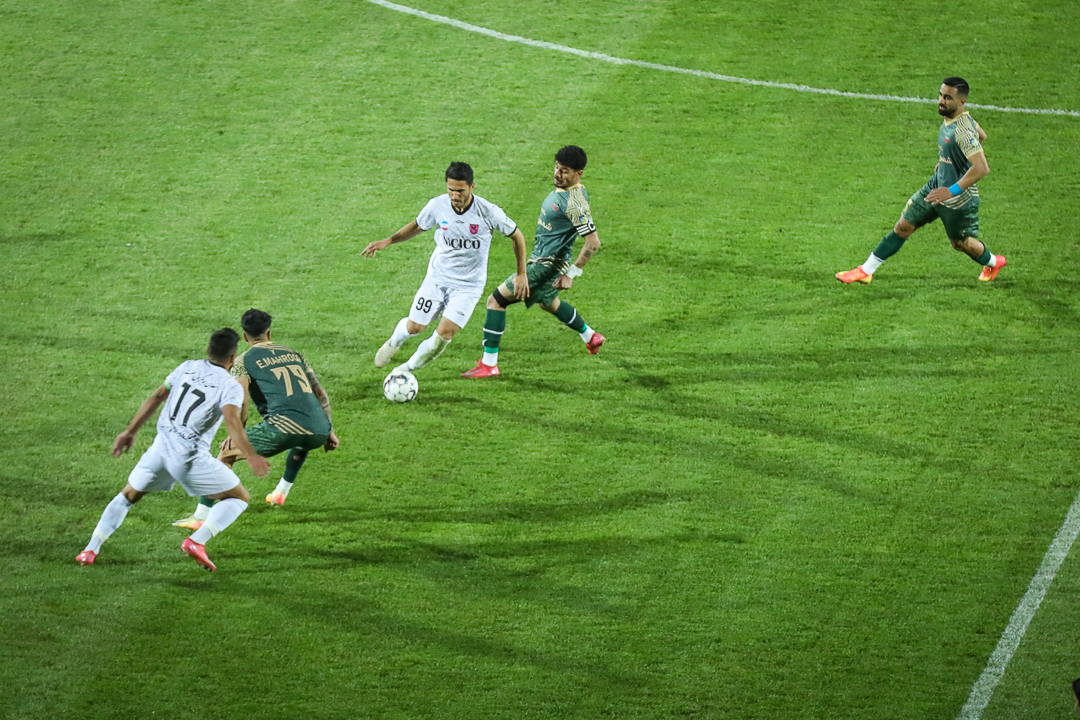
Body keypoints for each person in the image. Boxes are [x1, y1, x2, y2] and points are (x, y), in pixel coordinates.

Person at [76, 328, 270, 572]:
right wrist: (251, 455)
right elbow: (232, 421)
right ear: (233, 357)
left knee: (128, 496)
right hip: (189, 458)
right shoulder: (229, 386)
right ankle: (196, 541)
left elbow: (157, 396)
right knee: (239, 497)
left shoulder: (187, 367)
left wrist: (129, 432)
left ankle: (90, 550)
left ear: (208, 350)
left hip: (160, 449)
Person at [172, 309, 339, 528]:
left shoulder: (243, 361)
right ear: (269, 333)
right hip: (319, 428)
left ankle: (201, 517)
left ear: (245, 336)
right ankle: (280, 492)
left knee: (226, 454)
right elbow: (320, 392)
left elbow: (242, 400)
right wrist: (328, 429)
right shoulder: (294, 354)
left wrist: (237, 434)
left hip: (284, 428)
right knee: (302, 435)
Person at [362, 162, 529, 375]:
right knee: (415, 327)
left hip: (468, 286)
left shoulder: (488, 212)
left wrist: (521, 273)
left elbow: (517, 236)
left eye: (460, 191)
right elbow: (418, 225)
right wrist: (388, 241)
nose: (455, 196)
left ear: (472, 187)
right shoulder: (437, 206)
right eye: (451, 190)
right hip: (438, 279)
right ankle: (395, 341)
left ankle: (403, 372)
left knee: (444, 334)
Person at [836, 77, 1005, 284]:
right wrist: (949, 163)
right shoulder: (957, 119)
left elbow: (981, 167)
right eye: (941, 95)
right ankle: (865, 271)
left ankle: (994, 262)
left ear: (962, 102)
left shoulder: (962, 130)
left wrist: (950, 190)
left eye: (948, 98)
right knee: (903, 226)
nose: (941, 101)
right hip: (935, 186)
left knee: (961, 244)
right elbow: (982, 136)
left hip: (957, 199)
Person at [462, 145, 605, 378]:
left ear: (578, 173)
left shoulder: (574, 203)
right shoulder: (570, 191)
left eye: (565, 171)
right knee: (548, 302)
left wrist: (572, 273)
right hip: (548, 262)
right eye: (557, 167)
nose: (557, 174)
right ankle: (590, 336)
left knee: (496, 301)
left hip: (545, 266)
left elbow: (593, 242)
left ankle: (489, 364)